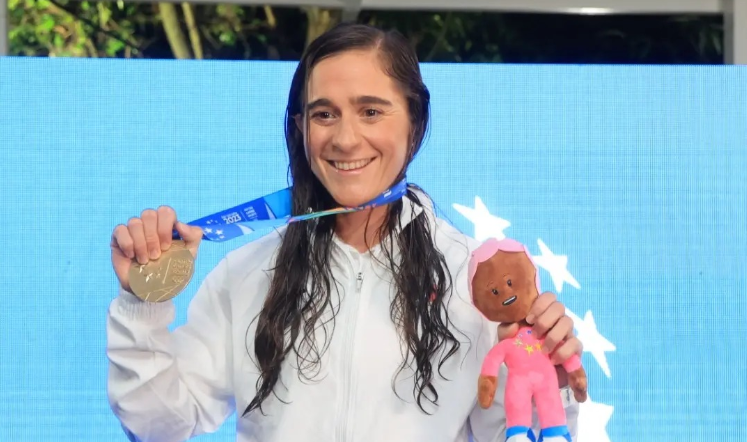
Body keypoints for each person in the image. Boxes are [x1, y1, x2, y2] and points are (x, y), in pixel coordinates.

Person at [106, 22, 583, 442]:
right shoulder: (248, 273)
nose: (346, 138)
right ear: (300, 127)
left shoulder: (474, 279)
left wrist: (553, 386)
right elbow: (157, 426)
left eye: (371, 111)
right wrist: (140, 306)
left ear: (415, 122)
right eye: (324, 114)